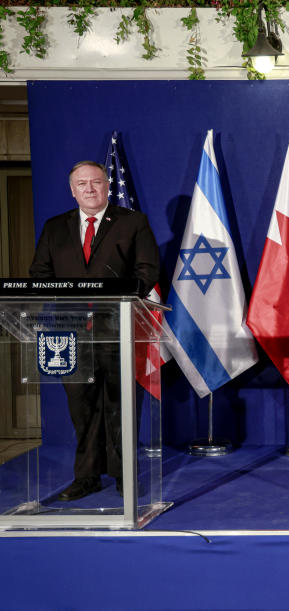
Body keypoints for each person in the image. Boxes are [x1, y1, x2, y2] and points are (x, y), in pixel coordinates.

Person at [30, 160, 160, 501]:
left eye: (96, 182)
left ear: (106, 186)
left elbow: (147, 270)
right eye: (82, 184)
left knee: (119, 404)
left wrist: (118, 294)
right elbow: (39, 273)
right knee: (81, 406)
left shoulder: (133, 223)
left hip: (116, 326)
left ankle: (123, 476)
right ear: (72, 190)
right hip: (67, 331)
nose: (89, 189)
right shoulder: (55, 227)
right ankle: (86, 477)